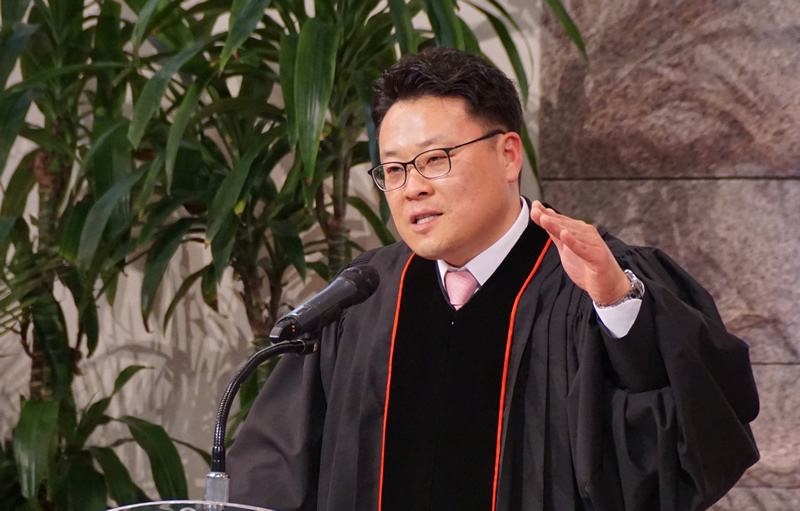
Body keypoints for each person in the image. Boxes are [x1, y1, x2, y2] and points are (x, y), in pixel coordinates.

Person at [227, 47, 759, 511]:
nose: (412, 188)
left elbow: (688, 439)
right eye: (394, 169)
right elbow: (271, 470)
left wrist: (618, 304)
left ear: (508, 155)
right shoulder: (364, 297)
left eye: (434, 159)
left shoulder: (595, 276)